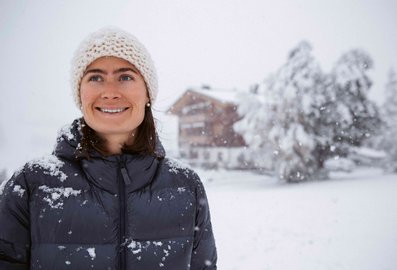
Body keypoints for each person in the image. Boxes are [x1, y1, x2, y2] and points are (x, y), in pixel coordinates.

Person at [0, 27, 217, 270]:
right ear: (79, 94)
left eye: (125, 77)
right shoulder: (31, 184)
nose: (110, 92)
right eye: (95, 77)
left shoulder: (186, 186)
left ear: (147, 93)